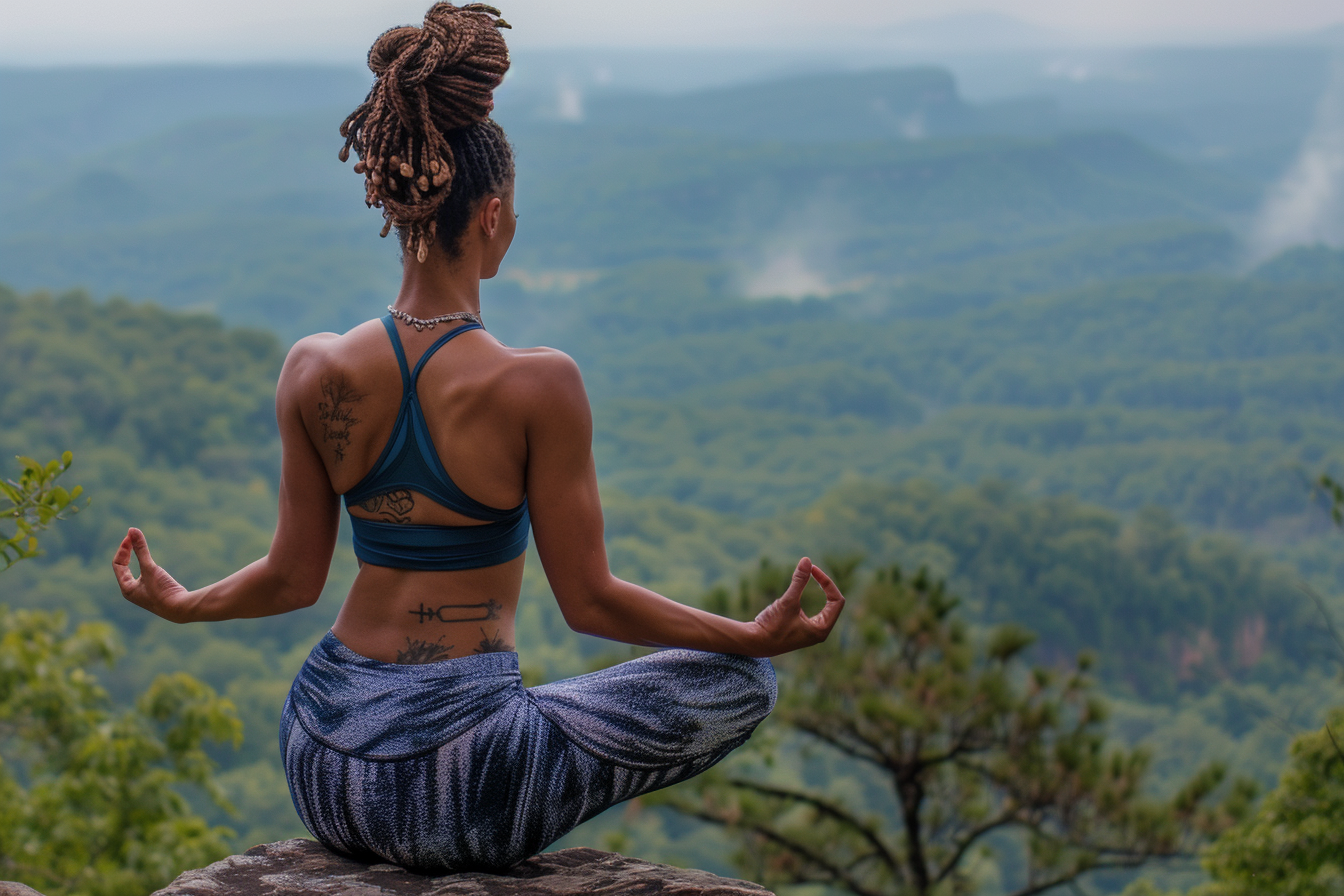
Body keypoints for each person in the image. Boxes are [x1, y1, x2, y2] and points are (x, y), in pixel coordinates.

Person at [112, 1, 844, 875]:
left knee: (580, 694)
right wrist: (751, 635)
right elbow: (592, 602)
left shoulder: (312, 370)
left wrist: (184, 601)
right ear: (492, 213)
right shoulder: (539, 383)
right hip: (460, 784)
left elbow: (292, 577)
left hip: (318, 752)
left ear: (397, 200)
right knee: (740, 679)